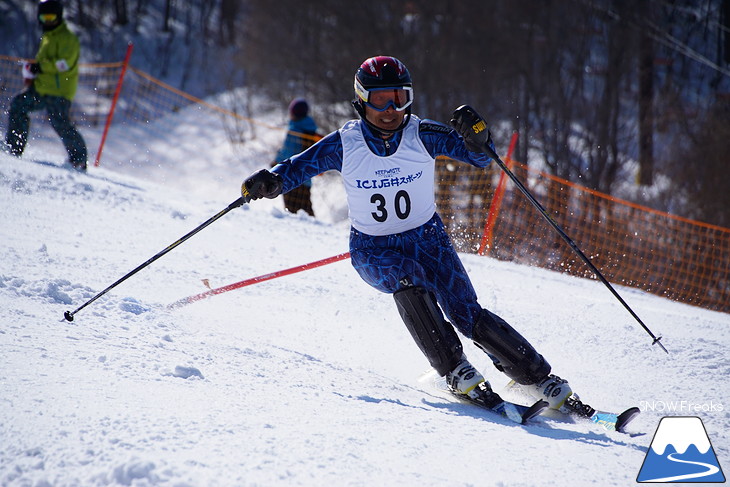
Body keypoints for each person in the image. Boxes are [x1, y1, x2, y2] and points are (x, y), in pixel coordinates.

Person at [241, 56, 573, 411]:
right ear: (362, 101)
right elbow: (297, 167)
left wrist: (479, 138)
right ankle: (454, 369)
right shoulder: (345, 143)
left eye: (399, 98)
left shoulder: (422, 134)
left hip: (429, 239)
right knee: (407, 278)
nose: (390, 109)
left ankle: (538, 377)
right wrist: (271, 181)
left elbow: (479, 158)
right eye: (380, 99)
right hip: (373, 248)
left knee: (467, 312)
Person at [3, 0, 87, 171]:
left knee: (60, 122)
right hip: (42, 88)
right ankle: (14, 147)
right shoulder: (48, 37)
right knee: (19, 105)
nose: (48, 21)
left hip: (59, 91)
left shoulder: (68, 38)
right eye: (44, 17)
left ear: (59, 16)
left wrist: (41, 66)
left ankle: (78, 160)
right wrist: (33, 71)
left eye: (51, 17)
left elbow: (64, 64)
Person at [273, 98, 319, 216]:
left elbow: (288, 153)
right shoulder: (311, 129)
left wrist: (276, 163)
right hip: (306, 177)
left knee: (292, 212)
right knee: (306, 209)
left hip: (290, 177)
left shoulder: (294, 130)